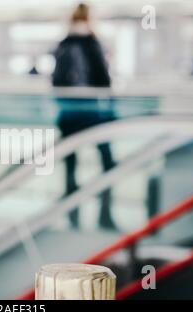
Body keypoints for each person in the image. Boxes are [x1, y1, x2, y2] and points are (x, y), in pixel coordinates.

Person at [52, 3, 116, 229]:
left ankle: (72, 215)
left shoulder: (63, 45)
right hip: (94, 114)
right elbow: (104, 80)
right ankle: (105, 214)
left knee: (71, 163)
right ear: (89, 19)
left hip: (69, 115)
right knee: (108, 162)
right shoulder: (92, 44)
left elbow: (56, 81)